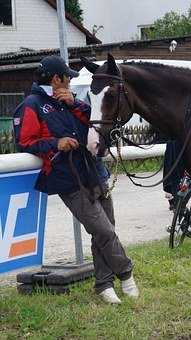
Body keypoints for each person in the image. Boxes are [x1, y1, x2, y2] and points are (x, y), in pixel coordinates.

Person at [13, 55, 138, 304]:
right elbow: (24, 141)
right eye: (67, 77)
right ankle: (126, 272)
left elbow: (95, 122)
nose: (70, 81)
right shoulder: (31, 105)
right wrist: (55, 143)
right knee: (102, 230)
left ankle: (103, 284)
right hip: (67, 178)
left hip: (95, 170)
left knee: (105, 230)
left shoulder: (72, 102)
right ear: (57, 79)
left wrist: (74, 104)